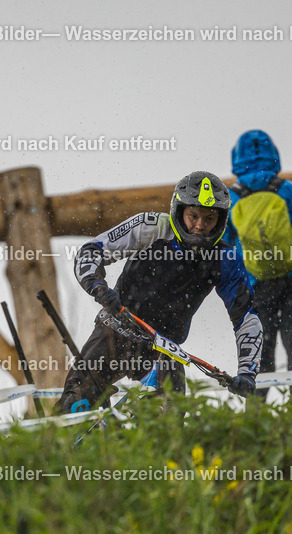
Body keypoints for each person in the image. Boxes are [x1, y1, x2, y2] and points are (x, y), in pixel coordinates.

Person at [55, 171, 263, 414]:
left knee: (168, 419)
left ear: (221, 219)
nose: (199, 226)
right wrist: (98, 287)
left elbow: (247, 317)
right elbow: (92, 250)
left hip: (163, 348)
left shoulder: (225, 258)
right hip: (115, 329)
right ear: (179, 210)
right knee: (74, 405)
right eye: (193, 216)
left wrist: (248, 372)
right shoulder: (152, 226)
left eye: (209, 219)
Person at [224, 130, 292, 397]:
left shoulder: (231, 198)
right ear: (274, 155)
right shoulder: (288, 190)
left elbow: (223, 247)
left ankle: (257, 419)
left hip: (255, 284)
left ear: (236, 159)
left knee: (260, 350)